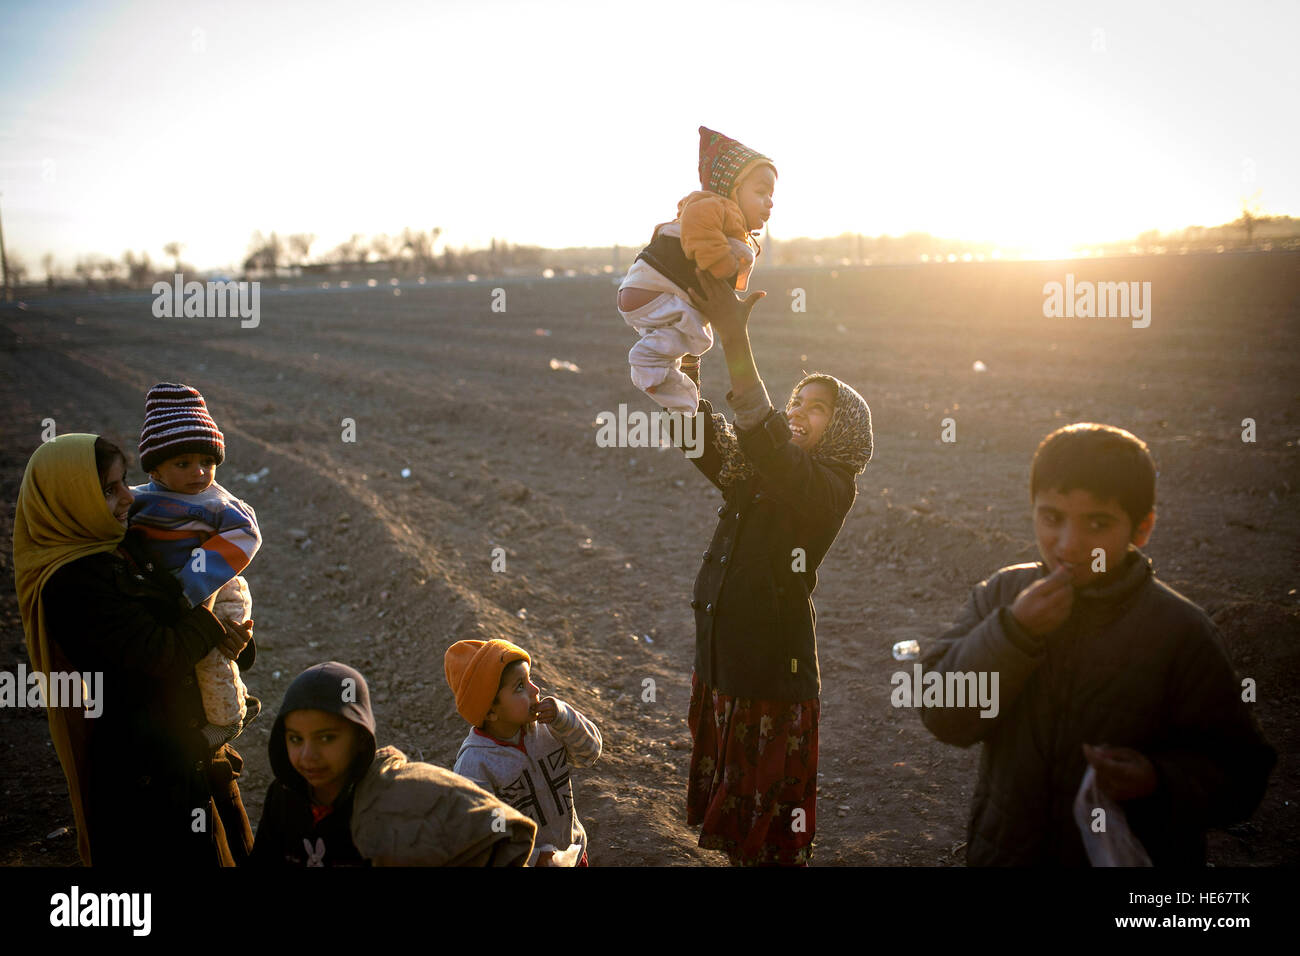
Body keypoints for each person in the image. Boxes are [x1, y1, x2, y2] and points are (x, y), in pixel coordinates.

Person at [918, 423, 1275, 865]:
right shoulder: (1002, 597)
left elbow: (1242, 775)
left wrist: (1157, 780)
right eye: (1052, 518)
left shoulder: (1179, 630)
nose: (1069, 544)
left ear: (1141, 528)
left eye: (1098, 523)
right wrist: (1012, 633)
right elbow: (941, 713)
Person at [676, 270, 873, 866]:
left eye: (817, 409)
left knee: (769, 843)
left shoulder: (825, 487)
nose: (799, 411)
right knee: (742, 838)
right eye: (797, 400)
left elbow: (766, 443)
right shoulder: (765, 474)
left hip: (768, 684)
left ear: (841, 429)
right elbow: (706, 445)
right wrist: (681, 366)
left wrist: (736, 341)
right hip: (726, 669)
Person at [13, 433, 254, 866]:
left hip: (193, 753)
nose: (128, 497)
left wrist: (234, 642)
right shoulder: (73, 583)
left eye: (124, 482)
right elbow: (160, 653)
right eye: (109, 489)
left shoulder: (124, 545)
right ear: (70, 498)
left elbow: (188, 627)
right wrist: (210, 617)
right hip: (148, 775)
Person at [251, 661, 536, 867]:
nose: (308, 755)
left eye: (326, 738)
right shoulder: (283, 797)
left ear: (360, 739)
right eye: (295, 739)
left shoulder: (396, 803)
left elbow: (501, 832)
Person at [129, 382, 261, 747]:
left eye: (207, 462)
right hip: (175, 593)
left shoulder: (218, 504)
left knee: (213, 658)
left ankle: (228, 718)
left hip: (221, 585)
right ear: (155, 470)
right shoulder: (140, 501)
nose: (199, 473)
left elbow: (245, 536)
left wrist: (189, 590)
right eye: (183, 463)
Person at [618, 125, 777, 413]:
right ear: (733, 189)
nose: (770, 202)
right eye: (761, 192)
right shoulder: (713, 205)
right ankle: (647, 359)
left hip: (648, 294)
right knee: (700, 337)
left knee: (683, 341)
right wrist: (723, 266)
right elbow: (700, 230)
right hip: (654, 290)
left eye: (772, 195)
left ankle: (679, 399)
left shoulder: (724, 217)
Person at [444, 639, 602, 866]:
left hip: (573, 855)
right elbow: (482, 838)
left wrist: (565, 718)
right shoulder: (475, 765)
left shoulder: (550, 728)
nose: (535, 689)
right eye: (520, 686)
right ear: (490, 712)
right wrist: (534, 858)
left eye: (530, 679)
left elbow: (590, 753)